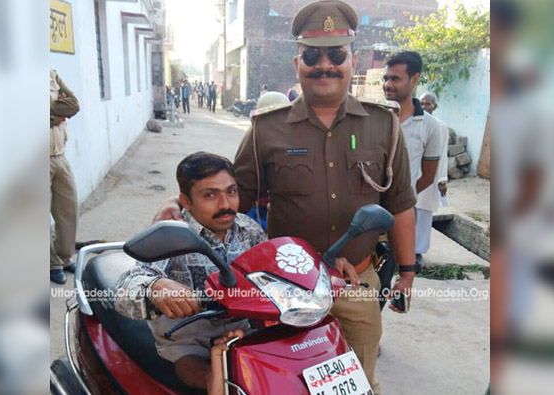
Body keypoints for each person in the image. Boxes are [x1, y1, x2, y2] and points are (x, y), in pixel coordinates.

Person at [154, 2, 416, 393]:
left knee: (358, 382)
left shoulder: (385, 126)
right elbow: (232, 198)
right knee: (284, 381)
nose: (323, 64)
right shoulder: (267, 130)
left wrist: (407, 274)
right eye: (312, 54)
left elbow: (400, 204)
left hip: (356, 279)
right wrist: (182, 210)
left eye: (336, 54)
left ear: (352, 60)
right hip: (284, 289)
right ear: (298, 63)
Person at [115, 152, 267, 392]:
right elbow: (125, 288)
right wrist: (155, 287)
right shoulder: (171, 236)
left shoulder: (250, 229)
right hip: (187, 338)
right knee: (203, 373)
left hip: (242, 330)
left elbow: (272, 271)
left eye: (231, 191)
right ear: (185, 201)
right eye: (210, 195)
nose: (226, 205)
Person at [383, 52, 443, 270]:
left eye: (395, 79)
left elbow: (428, 175)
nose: (388, 84)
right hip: (366, 206)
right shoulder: (371, 118)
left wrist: (404, 195)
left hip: (402, 212)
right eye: (385, 78)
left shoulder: (430, 126)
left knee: (390, 269)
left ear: (414, 79)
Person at [50, 70, 80, 284]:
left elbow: (74, 105)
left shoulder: (51, 74)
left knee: (68, 211)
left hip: (60, 155)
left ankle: (64, 256)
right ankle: (52, 264)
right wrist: (58, 113)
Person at [413, 91, 449, 259]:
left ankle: (418, 251)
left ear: (435, 106)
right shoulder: (414, 122)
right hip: (413, 173)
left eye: (428, 104)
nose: (425, 107)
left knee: (424, 214)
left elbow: (442, 155)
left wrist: (441, 179)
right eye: (422, 103)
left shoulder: (440, 126)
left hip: (430, 175)